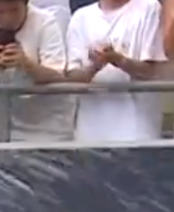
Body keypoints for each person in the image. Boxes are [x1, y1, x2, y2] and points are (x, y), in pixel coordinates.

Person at [0, 0, 73, 142]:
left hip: (46, 128)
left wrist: (27, 65)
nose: (6, 18)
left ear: (25, 4)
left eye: (14, 11)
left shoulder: (45, 22)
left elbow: (58, 75)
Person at [65, 0, 166, 142]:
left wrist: (118, 60)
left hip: (138, 133)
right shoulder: (80, 18)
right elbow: (72, 77)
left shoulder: (150, 8)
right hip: (90, 134)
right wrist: (95, 67)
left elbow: (150, 71)